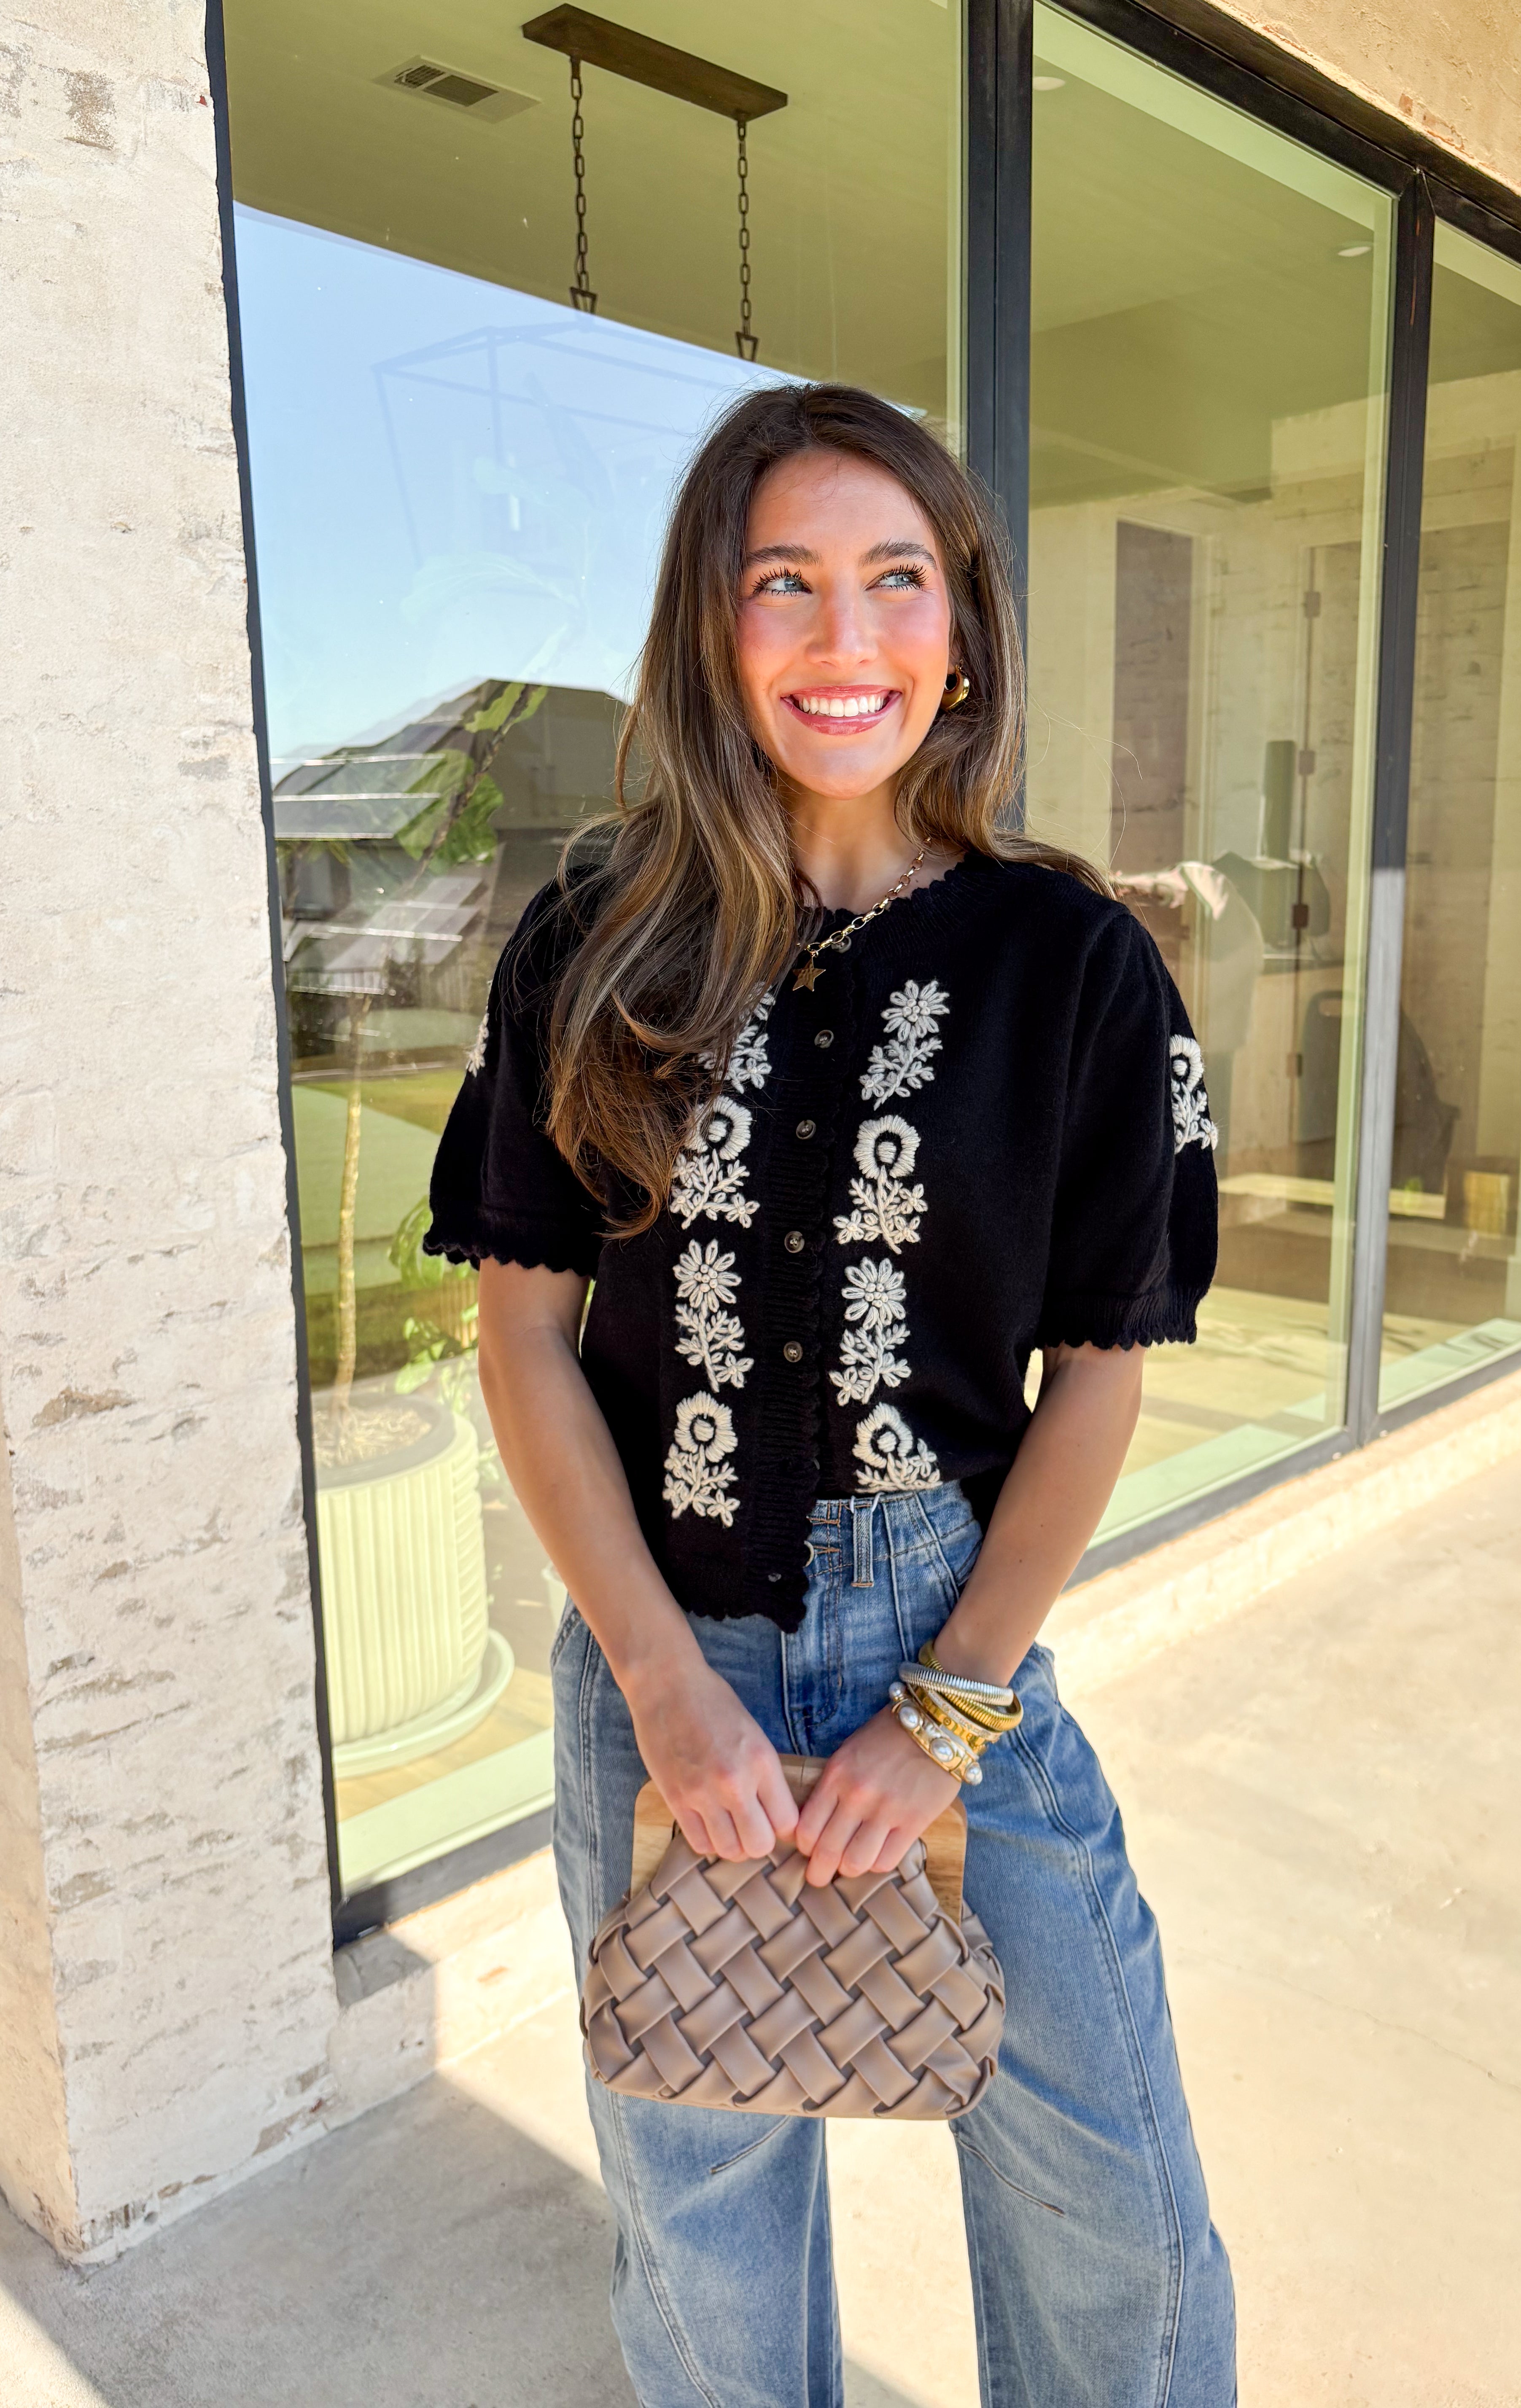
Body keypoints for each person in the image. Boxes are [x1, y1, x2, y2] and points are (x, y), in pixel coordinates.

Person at [425, 382, 1236, 2407]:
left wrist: (949, 1715)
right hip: (657, 1649)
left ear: (962, 628)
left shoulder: (1078, 966)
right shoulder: (595, 941)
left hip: (950, 1639)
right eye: (783, 584)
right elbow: (524, 1327)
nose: (843, 638)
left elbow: (1103, 1362)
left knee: (1112, 2219)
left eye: (896, 581)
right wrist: (665, 1686)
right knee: (700, 2232)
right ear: (717, 629)